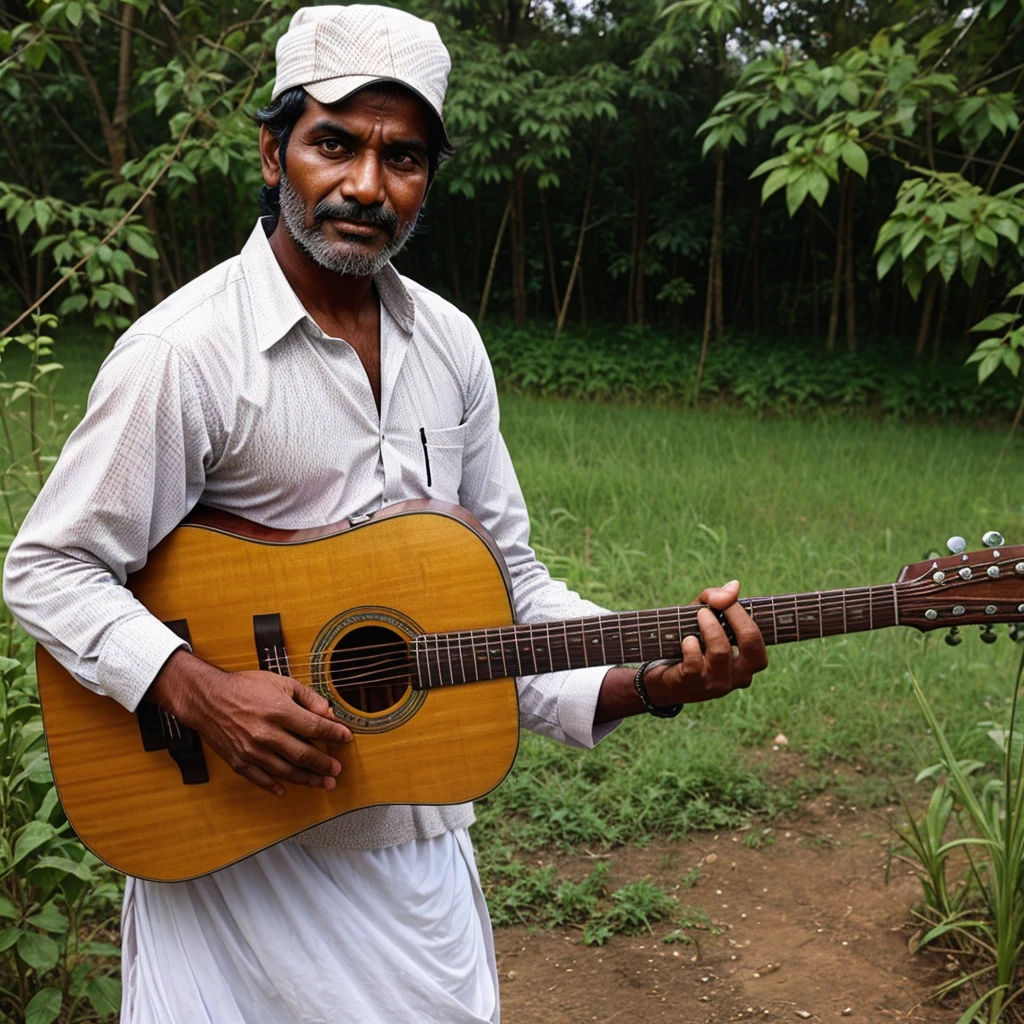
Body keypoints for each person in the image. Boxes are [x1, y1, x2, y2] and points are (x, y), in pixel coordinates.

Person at [2, 6, 767, 1022]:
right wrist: (198, 691)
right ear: (275, 151)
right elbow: (47, 566)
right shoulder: (185, 353)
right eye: (336, 143)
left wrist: (649, 680)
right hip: (227, 864)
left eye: (401, 157)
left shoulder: (450, 349)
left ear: (426, 180)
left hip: (412, 862)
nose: (367, 185)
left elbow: (509, 594)